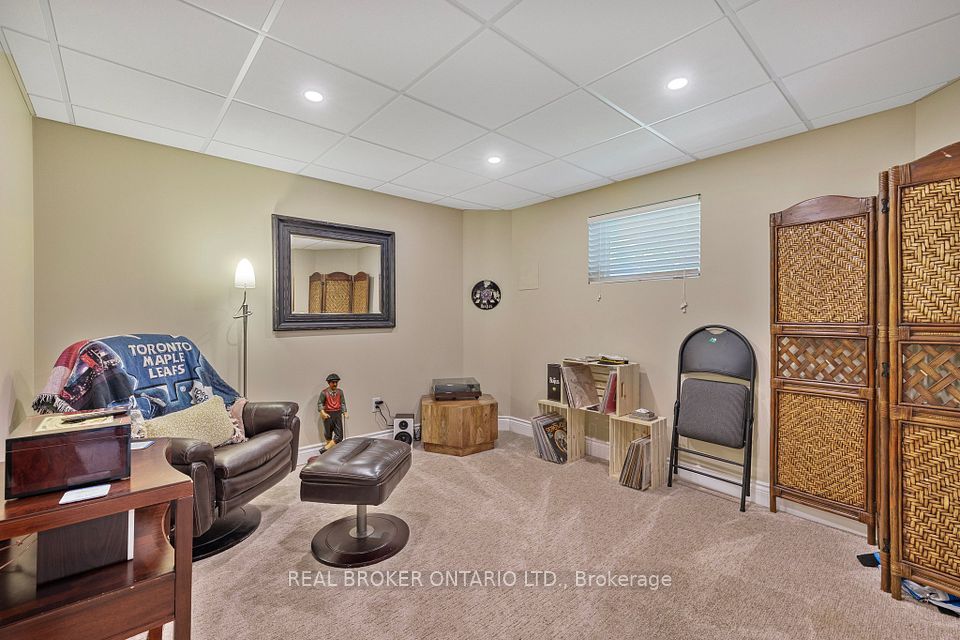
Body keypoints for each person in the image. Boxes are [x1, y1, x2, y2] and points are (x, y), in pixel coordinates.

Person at [318, 373, 347, 451]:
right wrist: (322, 412)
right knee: (328, 433)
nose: (335, 384)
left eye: (336, 382)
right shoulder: (324, 393)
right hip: (328, 414)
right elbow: (320, 403)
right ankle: (329, 451)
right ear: (329, 383)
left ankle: (325, 448)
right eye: (333, 382)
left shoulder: (340, 392)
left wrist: (345, 411)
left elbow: (343, 403)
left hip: (337, 413)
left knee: (339, 436)